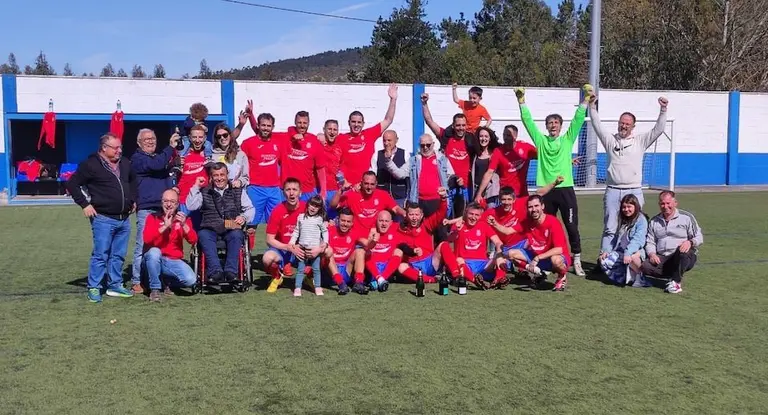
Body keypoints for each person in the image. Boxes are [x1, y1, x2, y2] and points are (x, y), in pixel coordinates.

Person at [516, 85, 591, 276]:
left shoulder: (567, 140)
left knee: (571, 226)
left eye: (556, 122)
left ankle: (576, 259)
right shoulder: (540, 141)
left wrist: (586, 100)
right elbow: (528, 122)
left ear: (560, 125)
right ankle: (547, 261)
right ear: (547, 126)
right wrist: (521, 101)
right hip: (546, 191)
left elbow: (578, 120)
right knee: (544, 227)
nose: (553, 125)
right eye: (550, 122)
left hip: (565, 189)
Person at [589, 93, 669, 256]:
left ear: (633, 126)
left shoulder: (640, 141)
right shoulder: (610, 140)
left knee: (635, 227)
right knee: (610, 227)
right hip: (612, 190)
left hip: (634, 191)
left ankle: (632, 258)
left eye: (627, 124)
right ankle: (604, 258)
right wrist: (592, 107)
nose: (623, 126)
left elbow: (658, 130)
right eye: (621, 123)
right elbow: (597, 125)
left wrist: (663, 109)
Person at [66, 133, 137, 303]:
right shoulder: (90, 164)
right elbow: (72, 184)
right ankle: (94, 287)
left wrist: (133, 199)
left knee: (118, 255)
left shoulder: (125, 163)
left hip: (124, 218)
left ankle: (115, 285)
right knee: (101, 254)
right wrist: (85, 204)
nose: (119, 150)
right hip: (103, 218)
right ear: (104, 148)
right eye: (116, 148)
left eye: (120, 147)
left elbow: (133, 181)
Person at [185, 163, 255, 284]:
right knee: (203, 235)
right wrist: (196, 186)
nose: (219, 178)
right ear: (211, 177)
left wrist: (243, 217)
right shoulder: (204, 191)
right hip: (210, 227)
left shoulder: (238, 191)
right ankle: (215, 271)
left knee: (237, 235)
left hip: (231, 225)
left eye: (222, 175)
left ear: (227, 175)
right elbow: (191, 206)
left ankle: (231, 272)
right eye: (216, 175)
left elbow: (250, 209)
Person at [130, 128, 178, 295]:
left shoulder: (157, 159)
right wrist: (170, 147)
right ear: (139, 143)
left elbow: (164, 169)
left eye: (153, 138)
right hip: (147, 208)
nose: (150, 141)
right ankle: (136, 281)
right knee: (142, 245)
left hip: (163, 208)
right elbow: (157, 165)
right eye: (146, 139)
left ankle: (162, 280)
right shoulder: (138, 159)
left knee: (164, 245)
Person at [498, 195, 571, 292]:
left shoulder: (553, 222)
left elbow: (559, 249)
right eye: (530, 207)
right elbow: (507, 231)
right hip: (537, 256)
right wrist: (494, 223)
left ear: (543, 206)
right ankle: (539, 273)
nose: (533, 209)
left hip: (554, 257)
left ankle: (562, 276)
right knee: (510, 254)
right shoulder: (527, 222)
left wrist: (538, 258)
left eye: (536, 206)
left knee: (556, 260)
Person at [641, 191, 703, 294]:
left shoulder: (686, 218)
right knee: (645, 266)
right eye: (662, 203)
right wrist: (652, 254)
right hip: (663, 257)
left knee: (683, 251)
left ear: (675, 203)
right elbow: (650, 242)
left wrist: (690, 242)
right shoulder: (654, 221)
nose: (665, 206)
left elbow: (699, 237)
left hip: (681, 254)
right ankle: (674, 274)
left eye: (668, 203)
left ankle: (676, 283)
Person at [142, 189, 198, 301]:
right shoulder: (152, 217)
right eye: (165, 201)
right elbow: (146, 239)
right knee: (154, 252)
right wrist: (164, 227)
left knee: (191, 280)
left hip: (173, 261)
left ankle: (166, 280)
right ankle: (155, 289)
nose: (168, 204)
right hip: (154, 259)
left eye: (172, 202)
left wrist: (184, 226)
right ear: (161, 203)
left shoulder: (182, 218)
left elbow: (193, 240)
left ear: (177, 204)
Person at [422, 92, 472, 217]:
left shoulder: (471, 141)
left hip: (465, 189)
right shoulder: (446, 138)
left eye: (463, 125)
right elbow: (429, 121)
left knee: (461, 221)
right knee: (444, 221)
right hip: (447, 188)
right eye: (458, 125)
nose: (460, 128)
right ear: (453, 126)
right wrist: (424, 103)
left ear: (466, 126)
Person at [339, 84, 398, 187]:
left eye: (359, 122)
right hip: (346, 186)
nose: (356, 125)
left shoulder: (369, 134)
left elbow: (388, 120)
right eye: (353, 122)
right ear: (348, 123)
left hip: (365, 186)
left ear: (363, 124)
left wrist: (393, 99)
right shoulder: (341, 138)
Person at [396, 188, 453, 284]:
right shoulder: (400, 229)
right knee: (401, 267)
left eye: (417, 215)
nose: (414, 218)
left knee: (444, 245)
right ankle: (431, 280)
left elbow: (440, 213)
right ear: (406, 215)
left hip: (430, 263)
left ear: (421, 215)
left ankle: (457, 276)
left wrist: (443, 198)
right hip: (413, 266)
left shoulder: (427, 224)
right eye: (411, 214)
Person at [446, 202, 506, 289]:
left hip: (483, 265)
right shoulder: (459, 224)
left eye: (477, 215)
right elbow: (449, 240)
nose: (473, 217)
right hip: (465, 264)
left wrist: (499, 254)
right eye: (471, 214)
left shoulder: (484, 226)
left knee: (501, 258)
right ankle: (475, 280)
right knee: (458, 260)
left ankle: (497, 280)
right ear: (466, 213)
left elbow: (498, 242)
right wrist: (457, 231)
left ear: (481, 216)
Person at [262, 178, 306, 293]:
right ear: (283, 193)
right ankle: (277, 277)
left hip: (302, 249)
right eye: (288, 189)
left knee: (322, 251)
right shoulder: (277, 210)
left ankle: (309, 278)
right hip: (283, 249)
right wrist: (288, 247)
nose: (291, 193)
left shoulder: (307, 209)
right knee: (267, 258)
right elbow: (269, 240)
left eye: (295, 190)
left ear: (300, 192)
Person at [240, 113, 284, 228]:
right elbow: (240, 164)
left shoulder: (278, 142)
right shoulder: (248, 143)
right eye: (263, 125)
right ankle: (247, 246)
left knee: (276, 222)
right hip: (255, 188)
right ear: (258, 126)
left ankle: (274, 246)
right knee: (251, 222)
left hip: (274, 189)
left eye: (268, 126)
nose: (265, 128)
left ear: (272, 127)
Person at [474, 124, 537, 201]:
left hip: (522, 193)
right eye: (504, 135)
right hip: (505, 194)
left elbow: (543, 156)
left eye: (508, 135)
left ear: (515, 136)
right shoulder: (498, 151)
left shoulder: (525, 147)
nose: (505, 138)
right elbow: (489, 172)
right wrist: (479, 194)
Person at [598, 194, 648, 287]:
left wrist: (628, 253)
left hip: (636, 251)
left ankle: (640, 276)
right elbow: (615, 237)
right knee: (604, 261)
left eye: (629, 207)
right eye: (624, 207)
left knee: (633, 257)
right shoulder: (622, 219)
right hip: (622, 251)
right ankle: (624, 278)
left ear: (635, 206)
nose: (626, 209)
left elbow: (638, 240)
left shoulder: (641, 220)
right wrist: (606, 251)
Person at [331, 171, 406, 231]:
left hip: (375, 235)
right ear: (361, 182)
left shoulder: (383, 195)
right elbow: (333, 206)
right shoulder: (353, 194)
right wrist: (340, 190)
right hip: (357, 236)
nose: (369, 187)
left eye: (372, 184)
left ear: (376, 184)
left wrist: (404, 213)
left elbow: (395, 208)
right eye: (366, 184)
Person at [281, 111, 327, 201]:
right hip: (287, 190)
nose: (302, 125)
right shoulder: (285, 138)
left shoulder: (315, 141)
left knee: (307, 215)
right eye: (299, 122)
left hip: (307, 191)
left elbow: (320, 168)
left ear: (309, 123)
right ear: (295, 123)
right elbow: (263, 132)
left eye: (305, 123)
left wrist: (323, 191)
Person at [288, 195, 329, 297]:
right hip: (302, 248)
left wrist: (325, 243)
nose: (313, 208)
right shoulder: (301, 217)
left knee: (316, 269)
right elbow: (296, 231)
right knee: (300, 269)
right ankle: (298, 287)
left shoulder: (319, 219)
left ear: (320, 208)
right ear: (308, 204)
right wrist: (292, 242)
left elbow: (325, 232)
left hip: (315, 249)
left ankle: (318, 287)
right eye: (312, 204)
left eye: (316, 206)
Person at [407, 134, 456, 218]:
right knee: (420, 229)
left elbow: (451, 176)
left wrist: (452, 184)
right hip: (419, 200)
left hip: (437, 200)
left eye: (428, 145)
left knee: (439, 228)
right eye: (422, 145)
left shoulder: (442, 159)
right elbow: (399, 173)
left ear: (433, 144)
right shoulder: (414, 160)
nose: (425, 147)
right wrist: (388, 161)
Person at [357, 210, 405, 293]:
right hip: (371, 269)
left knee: (399, 251)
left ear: (391, 223)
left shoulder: (396, 229)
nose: (384, 224)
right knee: (366, 252)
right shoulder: (369, 231)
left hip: (387, 269)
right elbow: (357, 237)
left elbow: (409, 223)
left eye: (386, 221)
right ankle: (380, 279)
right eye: (381, 221)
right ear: (376, 221)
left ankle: (380, 279)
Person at [174, 124, 212, 226]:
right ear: (190, 138)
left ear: (204, 138)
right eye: (194, 137)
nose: (197, 140)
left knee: (201, 234)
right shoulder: (182, 155)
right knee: (179, 232)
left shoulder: (209, 155)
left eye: (200, 137)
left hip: (201, 200)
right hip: (183, 199)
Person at [323, 207, 365, 295]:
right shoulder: (328, 230)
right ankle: (340, 284)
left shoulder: (355, 232)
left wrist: (373, 241)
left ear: (352, 223)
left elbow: (367, 244)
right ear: (338, 220)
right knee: (328, 251)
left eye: (348, 221)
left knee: (360, 251)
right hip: (329, 273)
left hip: (346, 270)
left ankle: (359, 283)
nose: (345, 224)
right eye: (343, 220)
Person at [372, 130, 409, 208]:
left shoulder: (405, 154)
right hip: (382, 197)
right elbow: (373, 174)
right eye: (384, 140)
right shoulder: (377, 155)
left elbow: (406, 175)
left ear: (396, 140)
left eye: (389, 140)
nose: (386, 143)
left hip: (399, 197)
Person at [469, 126, 501, 207]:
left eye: (486, 136)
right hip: (476, 188)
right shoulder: (475, 153)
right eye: (481, 136)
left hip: (490, 190)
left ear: (490, 138)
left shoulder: (495, 153)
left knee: (490, 213)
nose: (483, 139)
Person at [211, 123, 249, 188]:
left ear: (230, 136)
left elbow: (245, 177)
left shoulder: (240, 154)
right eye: (219, 136)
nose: (222, 138)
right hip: (217, 193)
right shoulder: (212, 155)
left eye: (225, 135)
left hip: (236, 191)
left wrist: (240, 182)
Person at [320, 119, 343, 219]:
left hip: (335, 191)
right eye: (329, 129)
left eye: (335, 129)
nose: (332, 132)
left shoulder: (340, 146)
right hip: (320, 190)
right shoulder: (318, 144)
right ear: (324, 129)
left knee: (334, 222)